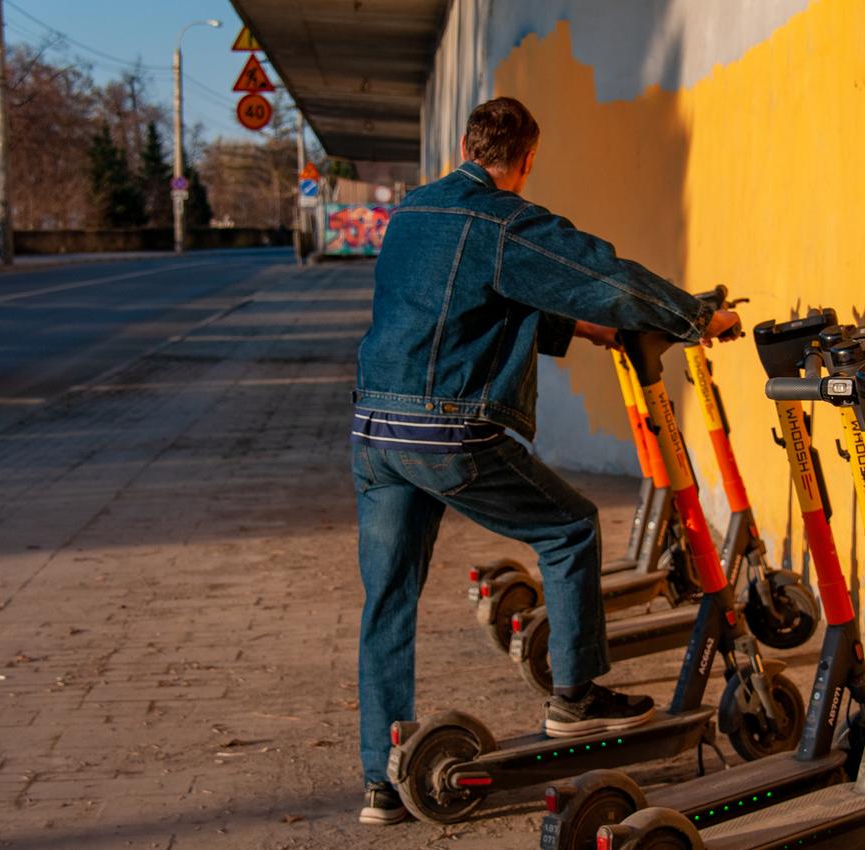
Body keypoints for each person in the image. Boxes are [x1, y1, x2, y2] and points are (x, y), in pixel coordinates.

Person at [350, 96, 740, 825]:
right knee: (570, 528)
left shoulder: (413, 213)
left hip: (376, 432)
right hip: (447, 433)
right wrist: (696, 316)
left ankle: (381, 780)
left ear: (467, 145)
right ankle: (576, 699)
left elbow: (464, 295)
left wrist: (581, 331)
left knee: (388, 599)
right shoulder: (504, 219)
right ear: (527, 160)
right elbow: (604, 273)